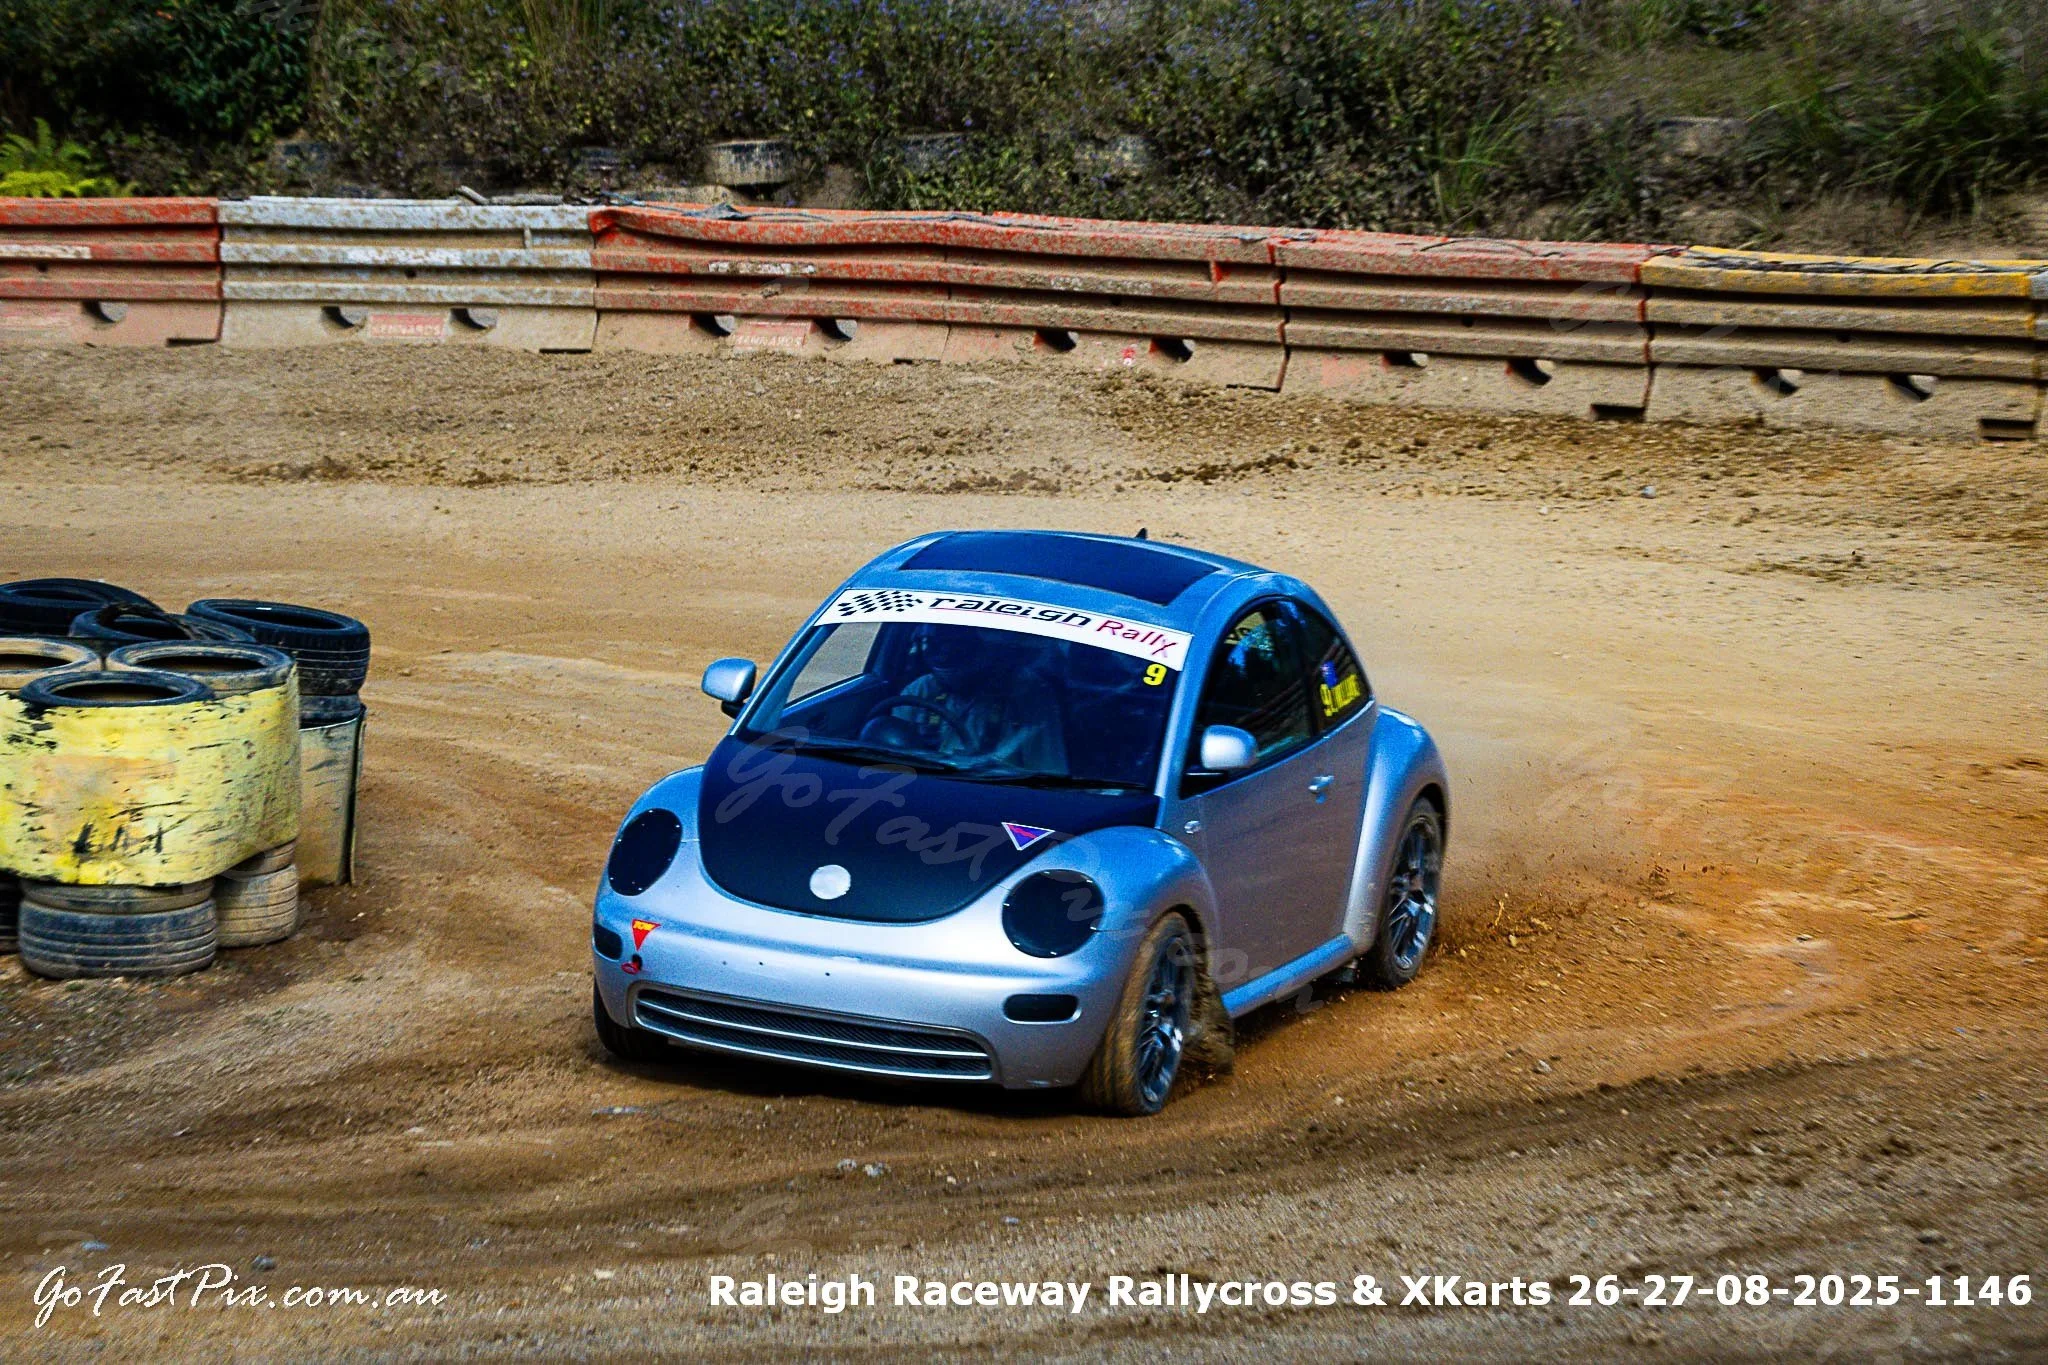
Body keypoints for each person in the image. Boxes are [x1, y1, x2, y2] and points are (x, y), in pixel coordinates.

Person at [891, 625, 1068, 773]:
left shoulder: (1029, 695)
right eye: (938, 644)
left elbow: (1047, 771)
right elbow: (890, 754)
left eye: (958, 646)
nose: (946, 652)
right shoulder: (919, 691)